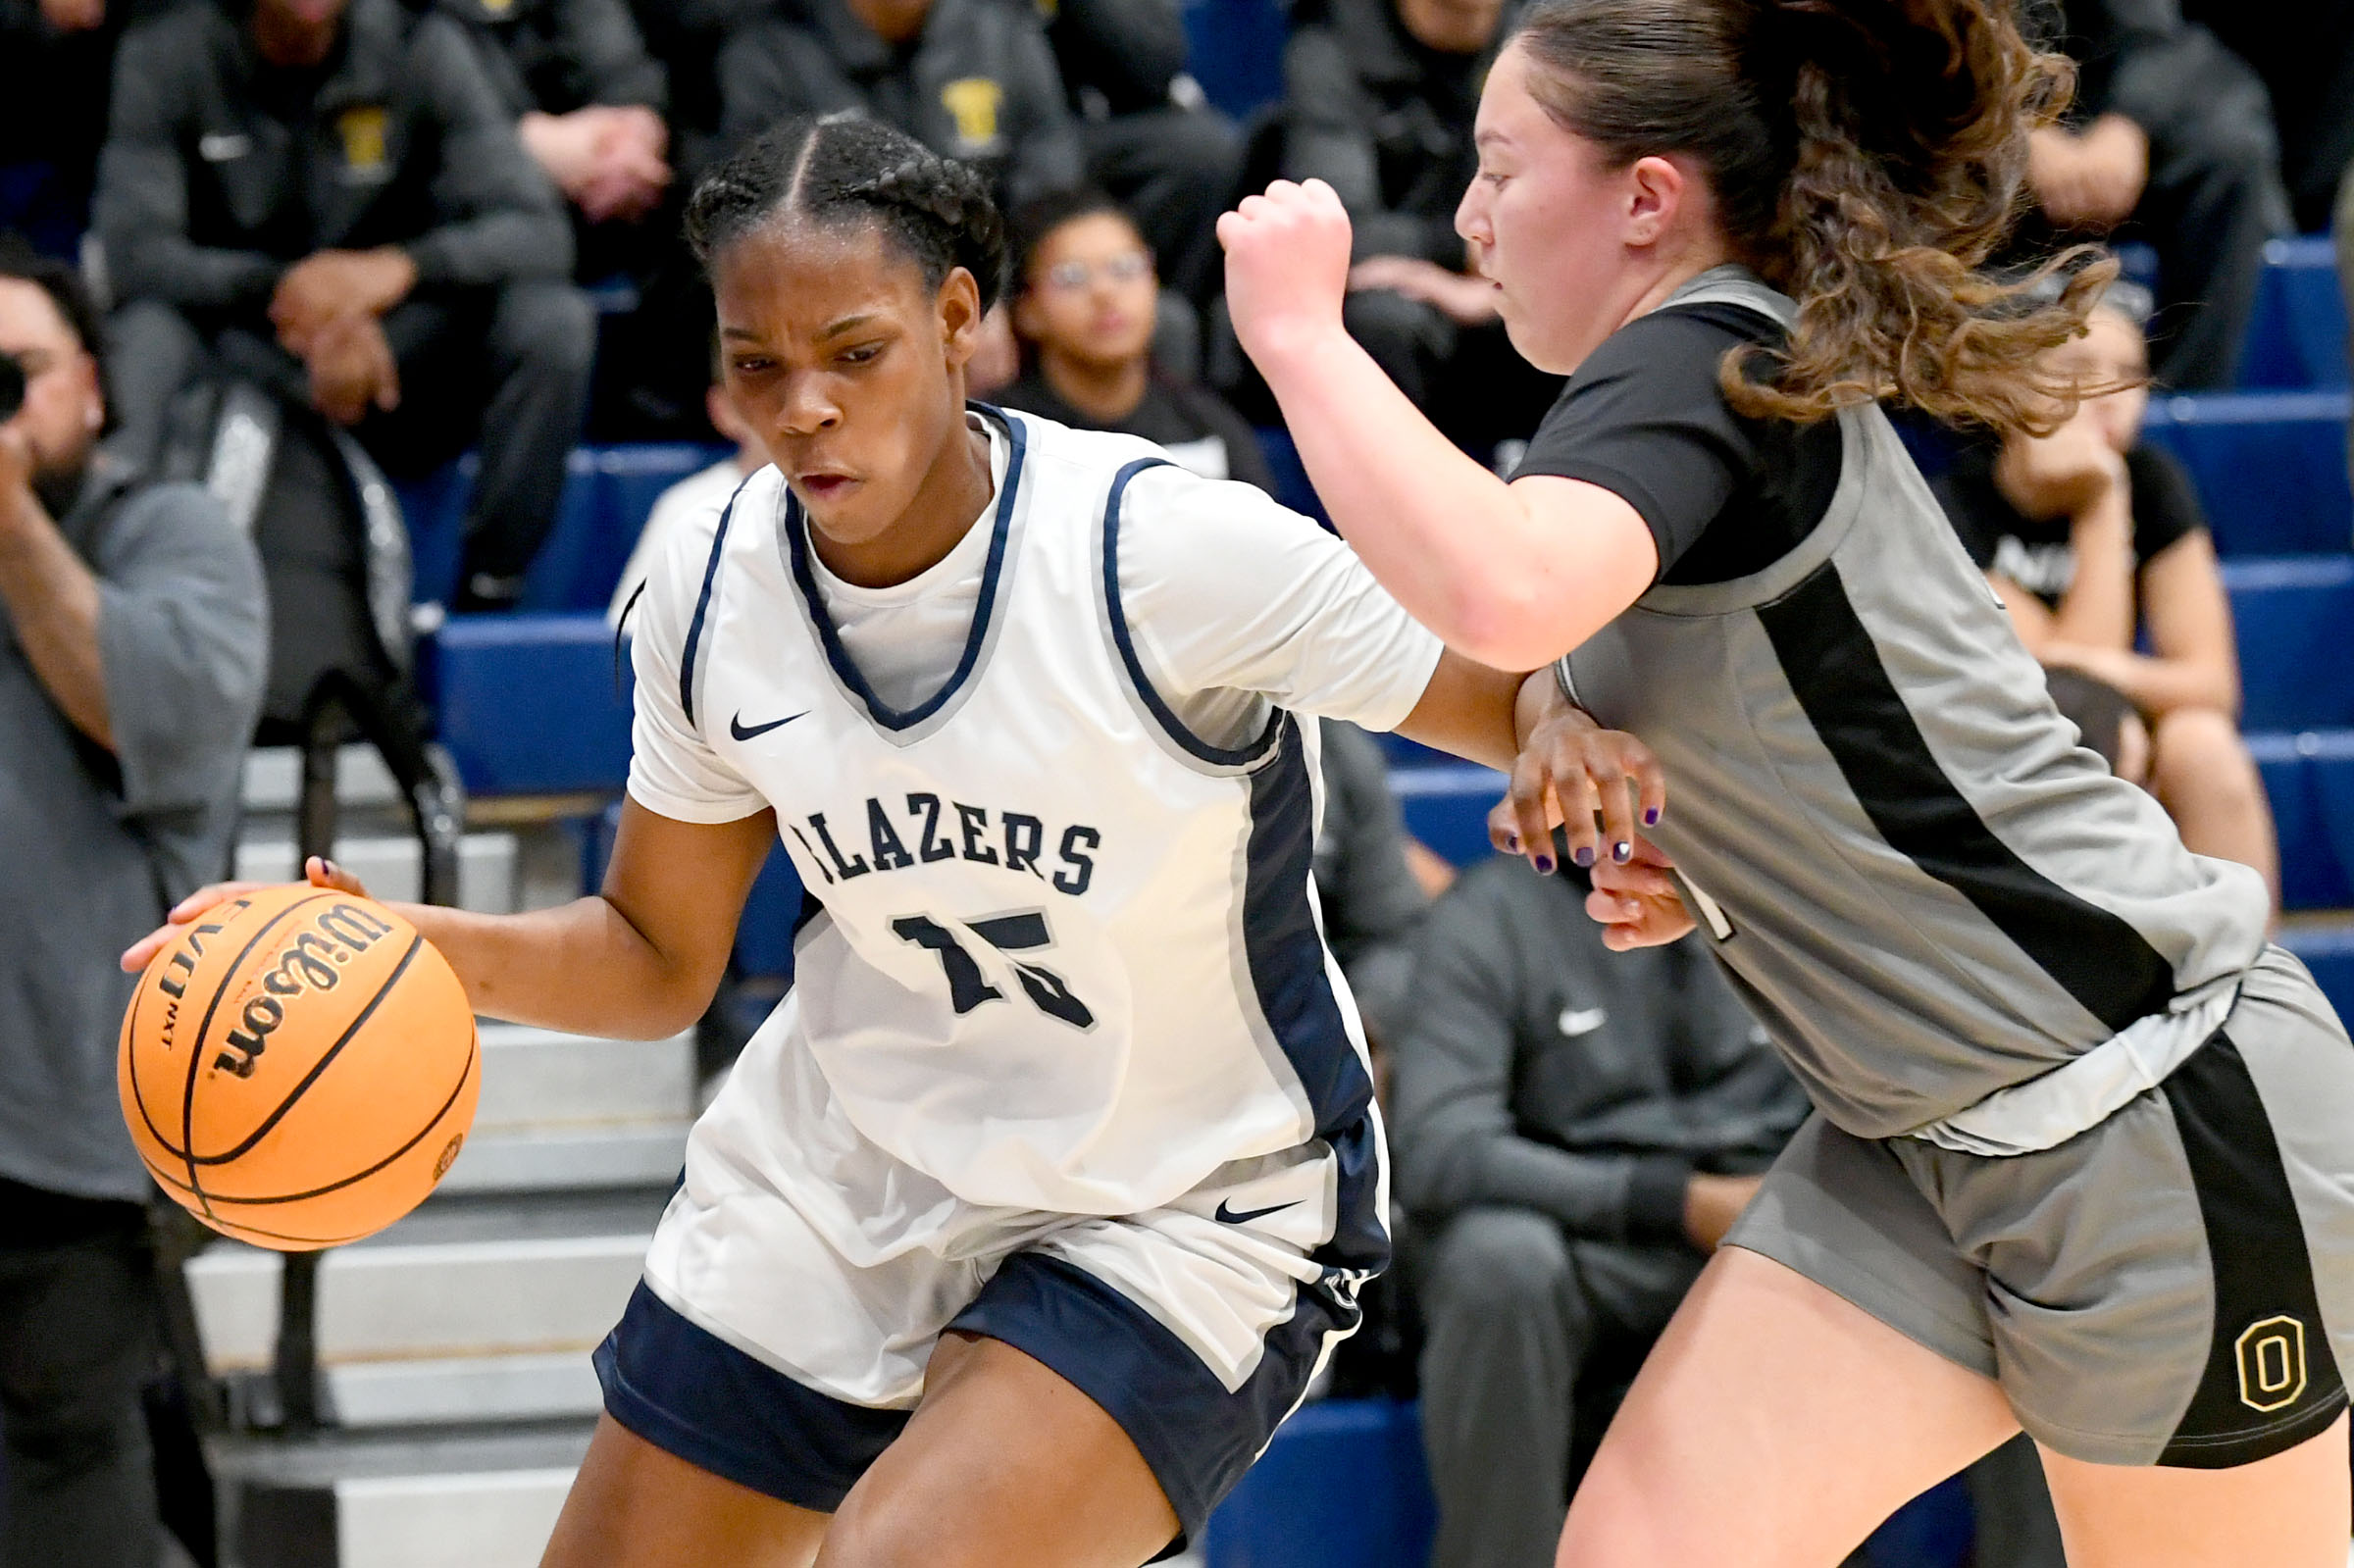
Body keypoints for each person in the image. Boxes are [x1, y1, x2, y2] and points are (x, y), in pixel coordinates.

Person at [128, 115, 1523, 1566]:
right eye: (757, 364)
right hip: (851, 1168)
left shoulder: (1159, 550)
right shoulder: (711, 588)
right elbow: (657, 956)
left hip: (1179, 1188)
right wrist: (406, 946)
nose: (802, 409)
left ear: (959, 319)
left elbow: (1521, 687)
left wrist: (1590, 767)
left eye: (855, 352)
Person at [1218, 0, 2354, 1561]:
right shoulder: (1681, 381)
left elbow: (1504, 588)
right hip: (1918, 1131)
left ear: (1645, 198)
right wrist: (1569, 727)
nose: (1469, 216)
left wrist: (1300, 338)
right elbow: (1573, 641)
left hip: (2139, 1106)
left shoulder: (1707, 350)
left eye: (1500, 167)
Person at [0, 240, 267, 1568]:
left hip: (69, 1122)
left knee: (66, 1463)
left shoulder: (173, 534)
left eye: (15, 376)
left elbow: (146, 711)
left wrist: (6, 517)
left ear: (93, 388)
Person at [93, 0, 595, 611]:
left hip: (403, 354)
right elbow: (134, 257)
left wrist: (399, 269)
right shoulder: (169, 50)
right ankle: (113, 593)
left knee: (552, 323)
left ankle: (492, 590)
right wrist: (287, 291)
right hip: (244, 348)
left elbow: (539, 232)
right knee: (146, 335)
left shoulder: (420, 43)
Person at [1390, 852, 1806, 1568]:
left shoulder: (1792, 896)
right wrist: (1674, 1202)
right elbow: (1440, 1147)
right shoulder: (1489, 914)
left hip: (1770, 1239)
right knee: (1499, 1261)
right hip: (1587, 1247)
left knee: (1992, 1225)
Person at [1932, 282, 2279, 909]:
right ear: (2006, 386)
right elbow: (2065, 697)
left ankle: (2250, 964)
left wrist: (2111, 493)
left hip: (2103, 724)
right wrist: (2100, 504)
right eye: (2075, 369)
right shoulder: (1954, 504)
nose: (2108, 395)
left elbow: (2211, 685)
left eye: (2128, 375)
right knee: (2088, 733)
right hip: (1995, 749)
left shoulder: (2152, 480)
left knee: (2202, 743)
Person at [1277, 0, 1560, 461]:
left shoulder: (1552, 31)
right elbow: (1332, 223)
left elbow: (1591, 204)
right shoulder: (1334, 41)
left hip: (1517, 267)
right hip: (1405, 289)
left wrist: (1495, 276)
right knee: (1383, 322)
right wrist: (1459, 250)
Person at [2019, 0, 2288, 389]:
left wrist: (2130, 120)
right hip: (1964, 127)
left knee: (2231, 144)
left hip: (2101, 119)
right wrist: (2012, 133)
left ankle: (2187, 401)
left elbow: (2148, 30)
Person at [998, 187, 1275, 491]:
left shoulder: (1208, 426)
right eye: (1071, 276)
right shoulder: (1001, 437)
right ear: (1026, 308)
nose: (1105, 292)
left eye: (1125, 267)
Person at [715, 0, 1083, 212]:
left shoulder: (1004, 32)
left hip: (996, 281)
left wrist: (995, 289)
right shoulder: (768, 56)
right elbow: (763, 211)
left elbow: (1051, 185)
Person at [1037, 0, 1240, 304]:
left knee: (1200, 149)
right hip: (994, 128)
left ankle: (1160, 314)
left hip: (1089, 130)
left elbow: (1154, 66)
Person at [432, 0, 674, 245]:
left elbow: (623, 70)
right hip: (480, 206)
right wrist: (526, 143)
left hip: (620, 184)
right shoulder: (426, 24)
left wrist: (633, 134)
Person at [607, 346, 765, 622]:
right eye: (765, 381)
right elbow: (634, 632)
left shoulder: (844, 501)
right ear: (724, 409)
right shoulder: (688, 508)